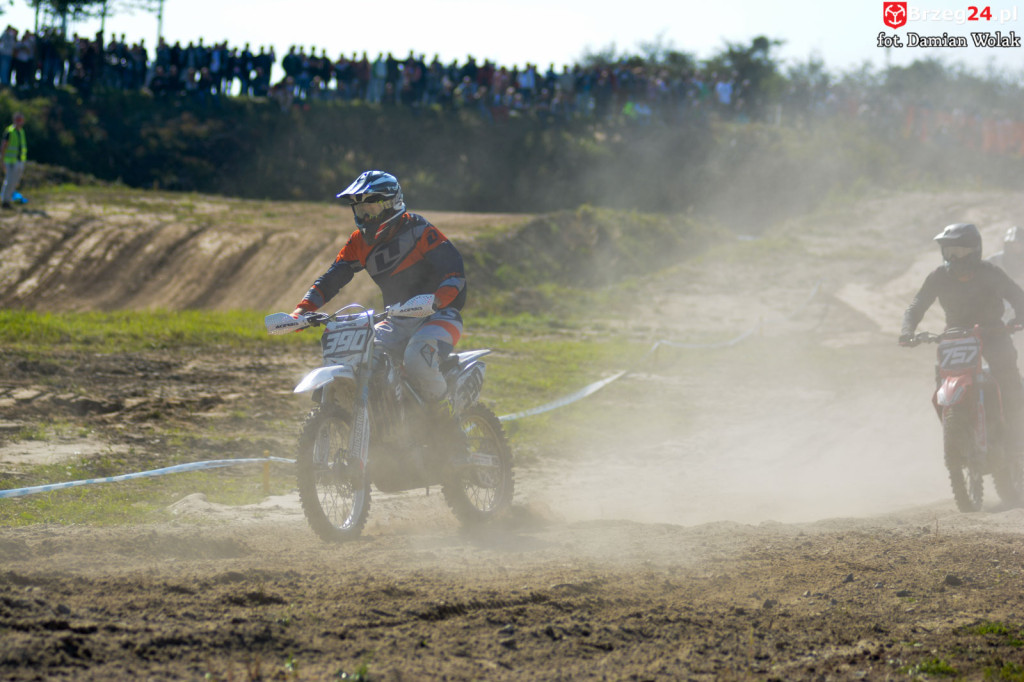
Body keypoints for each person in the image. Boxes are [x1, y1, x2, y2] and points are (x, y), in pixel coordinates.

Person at [291, 170, 468, 445]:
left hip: (439, 315)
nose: (366, 216)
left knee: (417, 360)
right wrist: (302, 310)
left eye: (371, 207)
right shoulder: (359, 242)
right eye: (360, 209)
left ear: (391, 204)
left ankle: (450, 430)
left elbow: (454, 271)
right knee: (363, 358)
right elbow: (333, 277)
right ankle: (386, 431)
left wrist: (436, 300)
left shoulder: (419, 230)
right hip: (397, 319)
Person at [900, 222, 1024, 453]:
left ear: (974, 250)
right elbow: (917, 305)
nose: (954, 258)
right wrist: (908, 331)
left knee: (1007, 377)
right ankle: (958, 427)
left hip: (993, 333)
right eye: (949, 252)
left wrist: (1019, 319)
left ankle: (1017, 437)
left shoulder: (990, 273)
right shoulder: (938, 276)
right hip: (957, 336)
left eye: (960, 252)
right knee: (944, 379)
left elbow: (1018, 296)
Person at [0, 111, 26, 209]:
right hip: (10, 161)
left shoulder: (21, 131)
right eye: (18, 120)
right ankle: (5, 201)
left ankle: (8, 199)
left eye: (21, 120)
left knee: (14, 182)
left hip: (19, 161)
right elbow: (3, 146)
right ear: (14, 120)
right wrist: (1, 160)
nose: (19, 122)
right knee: (9, 181)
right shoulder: (9, 131)